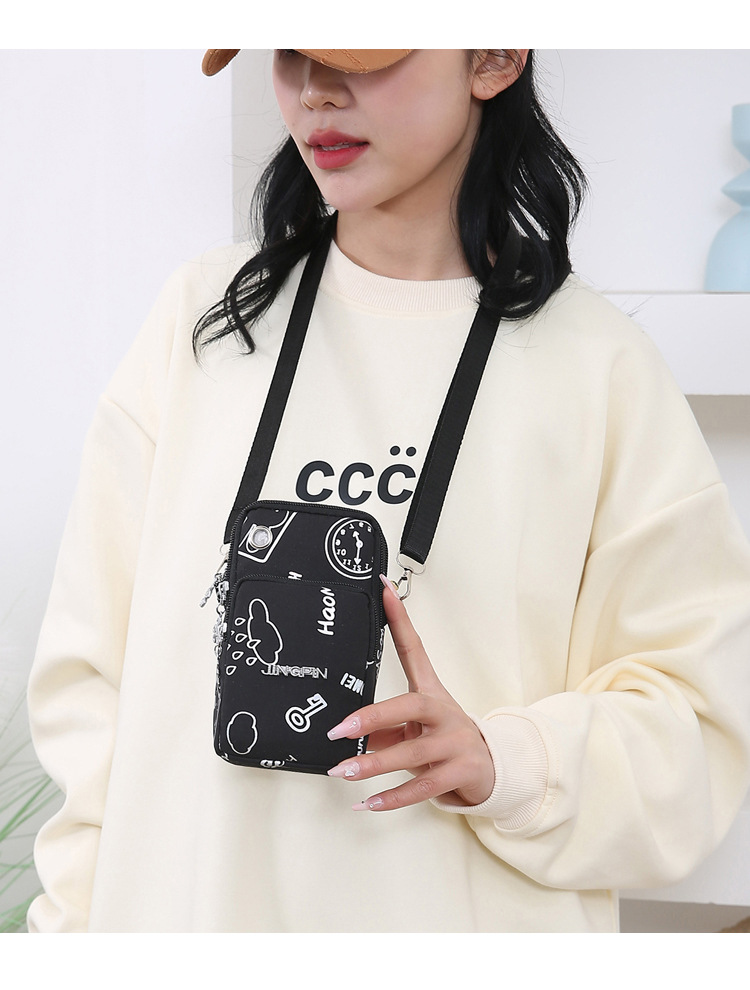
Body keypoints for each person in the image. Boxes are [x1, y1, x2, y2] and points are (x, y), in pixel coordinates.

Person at [27, 49, 750, 933]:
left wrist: (505, 760)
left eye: (366, 55)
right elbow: (88, 691)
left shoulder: (600, 368)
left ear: (493, 57)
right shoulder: (204, 324)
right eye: (292, 52)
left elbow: (697, 728)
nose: (316, 91)